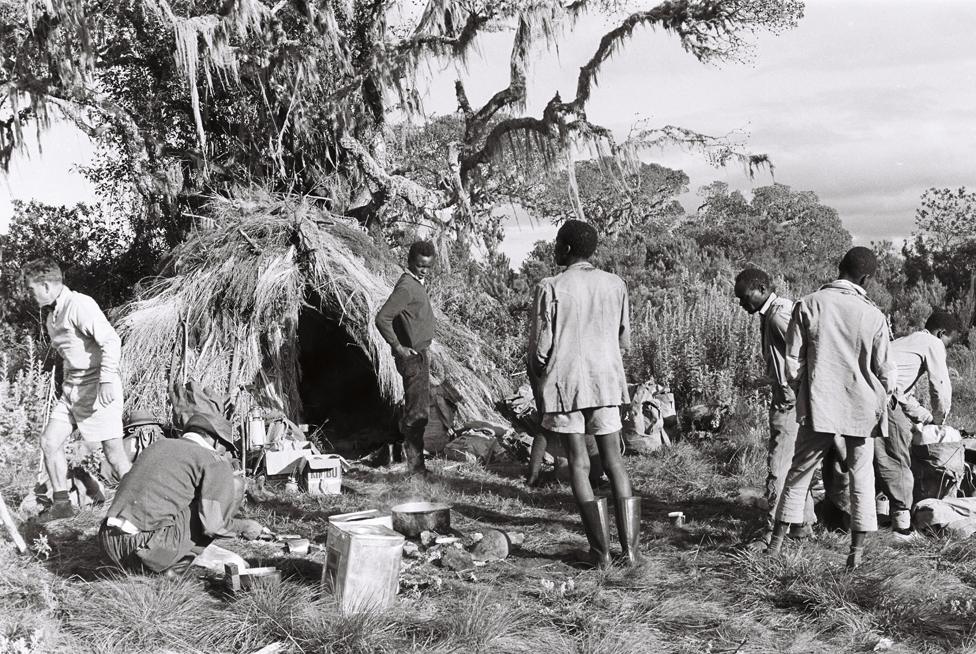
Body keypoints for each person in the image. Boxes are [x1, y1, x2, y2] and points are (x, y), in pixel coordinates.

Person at [768, 247, 897, 569]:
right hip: (861, 409)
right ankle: (855, 555)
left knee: (799, 475)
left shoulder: (809, 303)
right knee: (862, 479)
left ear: (839, 268)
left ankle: (775, 546)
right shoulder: (873, 315)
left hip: (818, 404)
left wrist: (802, 391)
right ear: (866, 278)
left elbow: (793, 362)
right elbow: (886, 371)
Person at [527, 220, 639, 567]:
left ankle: (600, 552)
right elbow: (625, 341)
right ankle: (631, 552)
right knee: (614, 461)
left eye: (559, 243)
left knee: (578, 462)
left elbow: (541, 348)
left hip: (567, 382)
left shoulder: (551, 286)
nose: (555, 248)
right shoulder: (615, 284)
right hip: (606, 380)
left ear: (568, 248)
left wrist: (537, 374)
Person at [24, 258, 131, 523]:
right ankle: (62, 505)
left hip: (98, 388)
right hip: (71, 391)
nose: (29, 294)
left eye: (31, 289)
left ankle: (137, 507)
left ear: (46, 285)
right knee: (49, 442)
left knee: (114, 455)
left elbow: (111, 340)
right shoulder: (52, 315)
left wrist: (106, 379)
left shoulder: (79, 305)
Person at [98, 413, 264, 576]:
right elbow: (213, 526)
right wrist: (244, 526)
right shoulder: (212, 459)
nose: (224, 452)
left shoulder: (157, 446)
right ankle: (176, 566)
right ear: (214, 439)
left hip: (108, 546)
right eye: (225, 447)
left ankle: (164, 559)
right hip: (142, 550)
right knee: (235, 485)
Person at [733, 268, 815, 543]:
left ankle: (772, 532)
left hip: (790, 404)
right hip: (792, 399)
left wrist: (792, 392)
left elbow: (807, 353)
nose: (742, 304)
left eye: (745, 298)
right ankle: (801, 525)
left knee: (779, 466)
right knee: (797, 464)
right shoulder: (772, 313)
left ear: (761, 288)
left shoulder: (779, 316)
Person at [877, 310, 961, 536]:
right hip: (883, 401)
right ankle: (902, 528)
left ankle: (861, 517)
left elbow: (904, 395)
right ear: (941, 333)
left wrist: (927, 418)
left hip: (868, 397)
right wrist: (940, 421)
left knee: (870, 460)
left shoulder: (906, 342)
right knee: (898, 459)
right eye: (949, 343)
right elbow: (941, 388)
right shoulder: (932, 343)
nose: (946, 348)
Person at [375, 241, 437, 476]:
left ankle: (417, 467)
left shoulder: (416, 284)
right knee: (416, 414)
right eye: (420, 265)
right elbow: (382, 318)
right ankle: (416, 469)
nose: (424, 270)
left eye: (428, 267)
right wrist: (399, 348)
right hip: (413, 357)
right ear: (410, 261)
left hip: (420, 353)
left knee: (419, 411)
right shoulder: (407, 287)